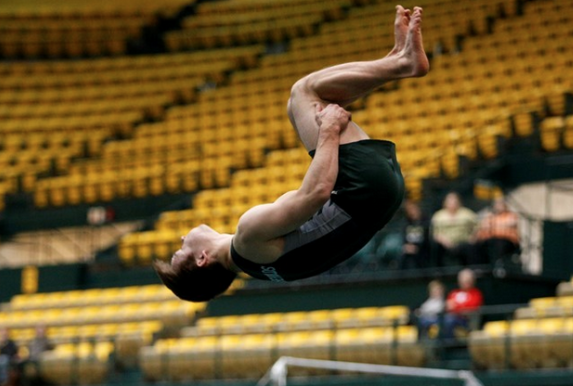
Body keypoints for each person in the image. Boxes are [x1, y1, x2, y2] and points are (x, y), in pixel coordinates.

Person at [154, 5, 430, 301]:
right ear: (202, 259)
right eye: (180, 250)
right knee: (303, 92)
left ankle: (397, 60)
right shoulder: (248, 236)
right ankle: (404, 64)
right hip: (362, 190)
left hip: (379, 198)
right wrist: (328, 130)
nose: (183, 240)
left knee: (297, 106)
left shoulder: (259, 266)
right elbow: (316, 193)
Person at [430, 192, 477, 267]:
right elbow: (435, 233)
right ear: (445, 202)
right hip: (444, 244)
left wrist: (473, 237)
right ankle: (437, 274)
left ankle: (470, 271)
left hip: (464, 242)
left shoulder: (467, 213)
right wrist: (443, 240)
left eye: (454, 201)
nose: (452, 203)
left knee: (471, 248)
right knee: (435, 247)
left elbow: (477, 227)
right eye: (450, 201)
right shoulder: (438, 216)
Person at [474, 195, 519, 265]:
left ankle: (497, 265)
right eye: (497, 204)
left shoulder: (510, 215)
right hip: (491, 240)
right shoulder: (491, 216)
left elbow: (511, 223)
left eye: (501, 203)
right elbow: (484, 227)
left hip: (507, 241)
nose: (499, 206)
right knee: (480, 246)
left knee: (499, 244)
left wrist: (494, 225)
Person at [443, 268, 484, 339]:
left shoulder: (476, 293)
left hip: (466, 321)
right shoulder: (454, 293)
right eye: (463, 280)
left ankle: (447, 346)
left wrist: (455, 307)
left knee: (449, 320)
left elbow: (472, 307)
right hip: (452, 318)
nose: (465, 282)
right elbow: (448, 306)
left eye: (467, 280)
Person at [401, 200, 430, 269]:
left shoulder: (425, 221)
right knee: (403, 255)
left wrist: (417, 247)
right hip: (409, 247)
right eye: (409, 210)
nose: (412, 211)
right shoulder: (406, 222)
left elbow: (427, 237)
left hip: (422, 247)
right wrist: (407, 246)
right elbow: (404, 237)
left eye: (413, 209)